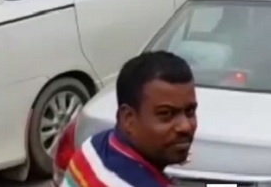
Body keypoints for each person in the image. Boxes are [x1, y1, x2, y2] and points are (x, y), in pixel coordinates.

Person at [62, 51, 197, 187]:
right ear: (128, 119)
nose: (185, 126)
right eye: (166, 114)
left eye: (190, 111)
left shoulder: (93, 147)